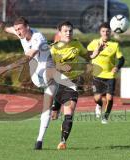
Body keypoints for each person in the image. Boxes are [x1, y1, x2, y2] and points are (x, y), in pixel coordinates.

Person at [0, 11, 77, 150]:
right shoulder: (19, 33)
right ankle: (63, 81)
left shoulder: (38, 37)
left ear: (27, 27)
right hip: (37, 75)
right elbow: (4, 27)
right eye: (16, 30)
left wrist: (7, 67)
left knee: (46, 107)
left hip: (47, 72)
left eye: (20, 29)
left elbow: (28, 56)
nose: (18, 32)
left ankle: (39, 141)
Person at [50, 21, 88, 149]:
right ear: (59, 32)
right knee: (53, 115)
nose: (68, 33)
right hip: (58, 82)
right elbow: (49, 66)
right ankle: (56, 105)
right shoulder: (53, 48)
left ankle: (63, 141)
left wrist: (97, 51)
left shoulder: (76, 44)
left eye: (70, 30)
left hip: (73, 83)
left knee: (69, 112)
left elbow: (88, 55)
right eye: (65, 31)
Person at [87, 22, 125, 124]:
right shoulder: (94, 43)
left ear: (110, 32)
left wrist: (117, 67)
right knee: (97, 98)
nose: (105, 33)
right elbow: (87, 54)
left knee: (109, 97)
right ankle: (99, 105)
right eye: (103, 31)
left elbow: (121, 59)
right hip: (97, 75)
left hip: (110, 75)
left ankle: (105, 117)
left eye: (107, 31)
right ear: (100, 32)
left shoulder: (115, 45)